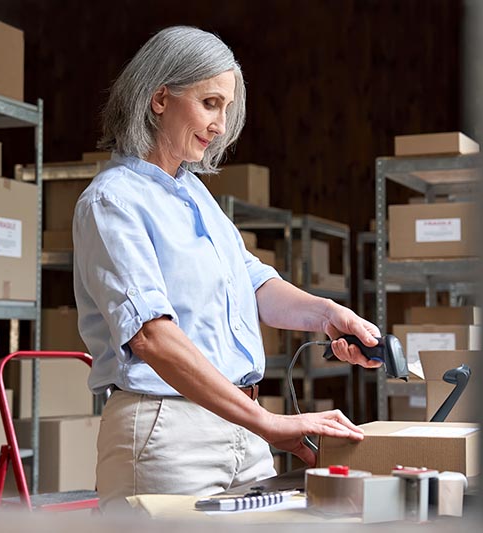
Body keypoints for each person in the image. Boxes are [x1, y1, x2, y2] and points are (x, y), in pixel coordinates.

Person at [73, 26, 382, 510]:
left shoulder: (195, 194)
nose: (221, 124)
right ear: (160, 98)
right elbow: (151, 336)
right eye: (210, 103)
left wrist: (327, 316)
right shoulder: (114, 201)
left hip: (242, 424)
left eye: (227, 108)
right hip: (167, 433)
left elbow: (254, 282)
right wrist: (270, 423)